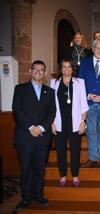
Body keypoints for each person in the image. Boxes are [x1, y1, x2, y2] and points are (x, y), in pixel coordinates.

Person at [12, 60, 56, 211]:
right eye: (35, 69)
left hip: (43, 137)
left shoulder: (50, 92)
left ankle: (38, 195)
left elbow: (52, 112)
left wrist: (41, 128)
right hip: (25, 136)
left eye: (41, 70)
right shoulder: (20, 89)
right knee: (26, 168)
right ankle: (26, 197)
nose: (38, 72)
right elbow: (17, 110)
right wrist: (31, 127)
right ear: (30, 71)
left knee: (39, 168)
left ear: (44, 73)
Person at [51, 59, 89, 187]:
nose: (67, 69)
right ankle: (62, 175)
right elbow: (50, 106)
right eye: (64, 67)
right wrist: (51, 123)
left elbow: (84, 104)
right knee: (60, 150)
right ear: (60, 69)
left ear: (73, 69)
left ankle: (75, 175)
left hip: (76, 122)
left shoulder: (80, 83)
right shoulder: (53, 83)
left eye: (69, 67)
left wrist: (83, 122)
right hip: (58, 122)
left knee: (75, 150)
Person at [78, 38, 100, 168]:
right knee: (91, 131)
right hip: (89, 103)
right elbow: (79, 83)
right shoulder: (84, 63)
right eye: (97, 48)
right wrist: (88, 95)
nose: (99, 50)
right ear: (92, 49)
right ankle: (92, 158)